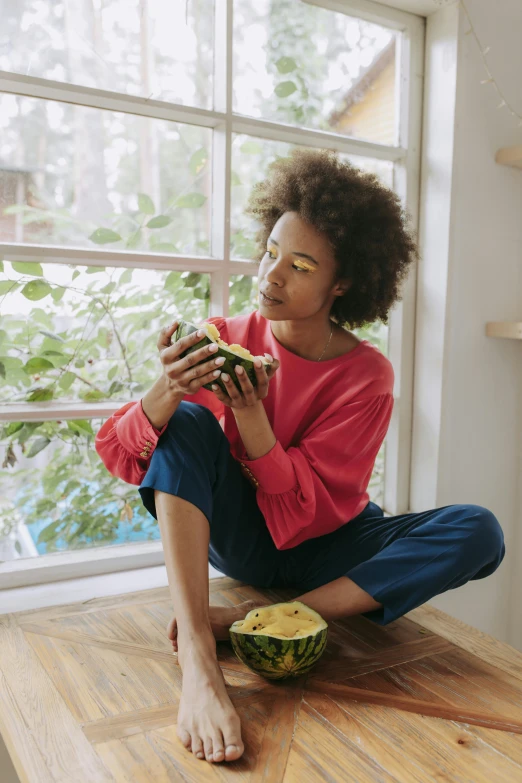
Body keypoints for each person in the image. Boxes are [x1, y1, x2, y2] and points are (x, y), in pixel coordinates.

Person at [95, 149, 505, 765]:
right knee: (181, 421)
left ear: (342, 284)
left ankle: (251, 619)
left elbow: (308, 517)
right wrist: (168, 388)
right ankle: (201, 661)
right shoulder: (222, 338)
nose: (272, 276)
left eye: (301, 265)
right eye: (271, 253)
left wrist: (252, 416)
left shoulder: (368, 376)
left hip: (329, 545)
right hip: (242, 536)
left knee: (479, 530)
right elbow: (120, 455)